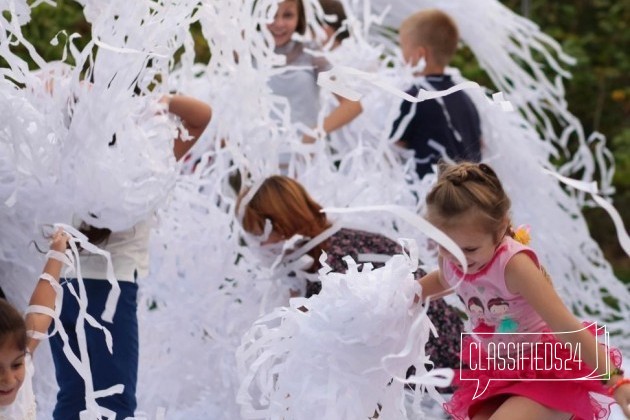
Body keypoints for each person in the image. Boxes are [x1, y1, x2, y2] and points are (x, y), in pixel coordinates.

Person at [416, 162, 630, 419]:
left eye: (470, 249)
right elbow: (442, 279)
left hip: (547, 370)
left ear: (499, 229)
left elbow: (567, 327)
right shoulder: (451, 261)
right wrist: (398, 296)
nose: (457, 258)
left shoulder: (514, 266)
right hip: (497, 369)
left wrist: (615, 381)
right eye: (445, 246)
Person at [48, 95, 212, 419]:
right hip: (110, 291)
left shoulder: (71, 162)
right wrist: (154, 99)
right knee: (114, 400)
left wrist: (97, 96)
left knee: (72, 396)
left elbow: (56, 91)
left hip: (63, 289)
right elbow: (201, 116)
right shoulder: (144, 169)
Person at [238, 175, 463, 370]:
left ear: (283, 227)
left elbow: (344, 351)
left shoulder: (332, 269)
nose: (256, 246)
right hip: (441, 349)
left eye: (257, 234)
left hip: (434, 365)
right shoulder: (334, 243)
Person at [391, 9, 482, 179]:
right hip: (468, 198)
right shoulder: (466, 98)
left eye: (402, 47)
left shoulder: (414, 98)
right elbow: (480, 145)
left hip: (431, 199)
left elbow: (393, 150)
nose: (400, 56)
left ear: (420, 54)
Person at [267, 0, 362, 141]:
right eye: (271, 15)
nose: (279, 23)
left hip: (303, 160)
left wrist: (314, 133)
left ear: (299, 18)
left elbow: (352, 104)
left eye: (288, 15)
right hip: (257, 159)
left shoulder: (311, 53)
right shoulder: (246, 54)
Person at [0, 229, 68, 419]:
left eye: (16, 365)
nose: (9, 379)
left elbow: (39, 313)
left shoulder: (22, 358)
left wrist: (57, 253)